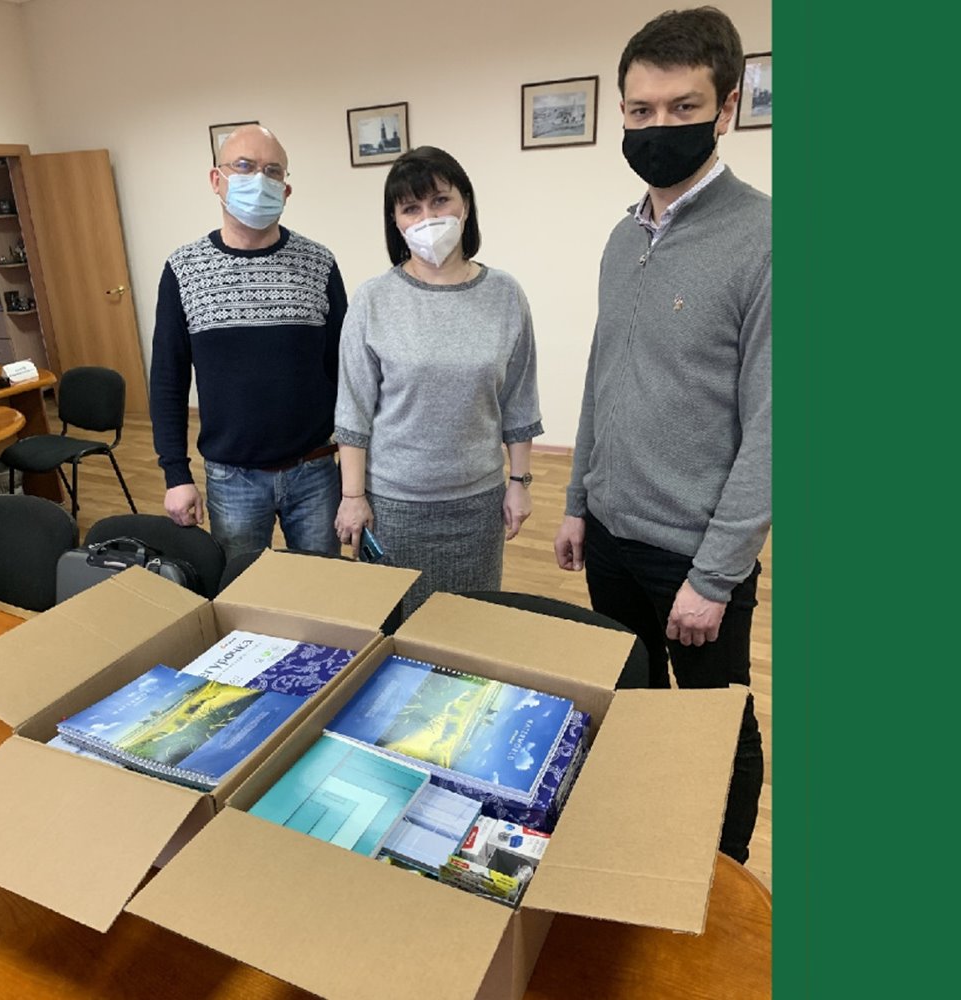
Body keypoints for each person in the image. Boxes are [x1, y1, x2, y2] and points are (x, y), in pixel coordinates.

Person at [553, 6, 771, 865]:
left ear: (726, 109)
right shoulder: (622, 237)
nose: (658, 127)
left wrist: (714, 576)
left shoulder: (767, 239)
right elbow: (602, 377)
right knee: (632, 703)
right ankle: (646, 853)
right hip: (610, 537)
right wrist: (577, 501)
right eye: (640, 110)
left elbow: (776, 428)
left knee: (715, 727)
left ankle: (721, 882)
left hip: (693, 554)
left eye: (683, 108)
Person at [335, 146, 542, 616]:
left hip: (478, 505)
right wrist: (352, 497)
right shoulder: (373, 300)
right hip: (394, 506)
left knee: (468, 625)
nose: (428, 218)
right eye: (411, 208)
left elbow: (520, 398)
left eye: (440, 201)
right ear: (395, 221)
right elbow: (353, 412)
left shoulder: (505, 295)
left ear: (465, 205)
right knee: (395, 630)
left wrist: (519, 481)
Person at [149, 124, 347, 562]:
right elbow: (167, 380)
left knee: (324, 588)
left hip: (315, 471)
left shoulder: (319, 263)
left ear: (286, 189)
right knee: (242, 589)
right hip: (231, 479)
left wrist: (353, 478)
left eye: (272, 171)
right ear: (216, 179)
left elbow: (347, 371)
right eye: (244, 166)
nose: (259, 179)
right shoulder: (184, 269)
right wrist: (175, 473)